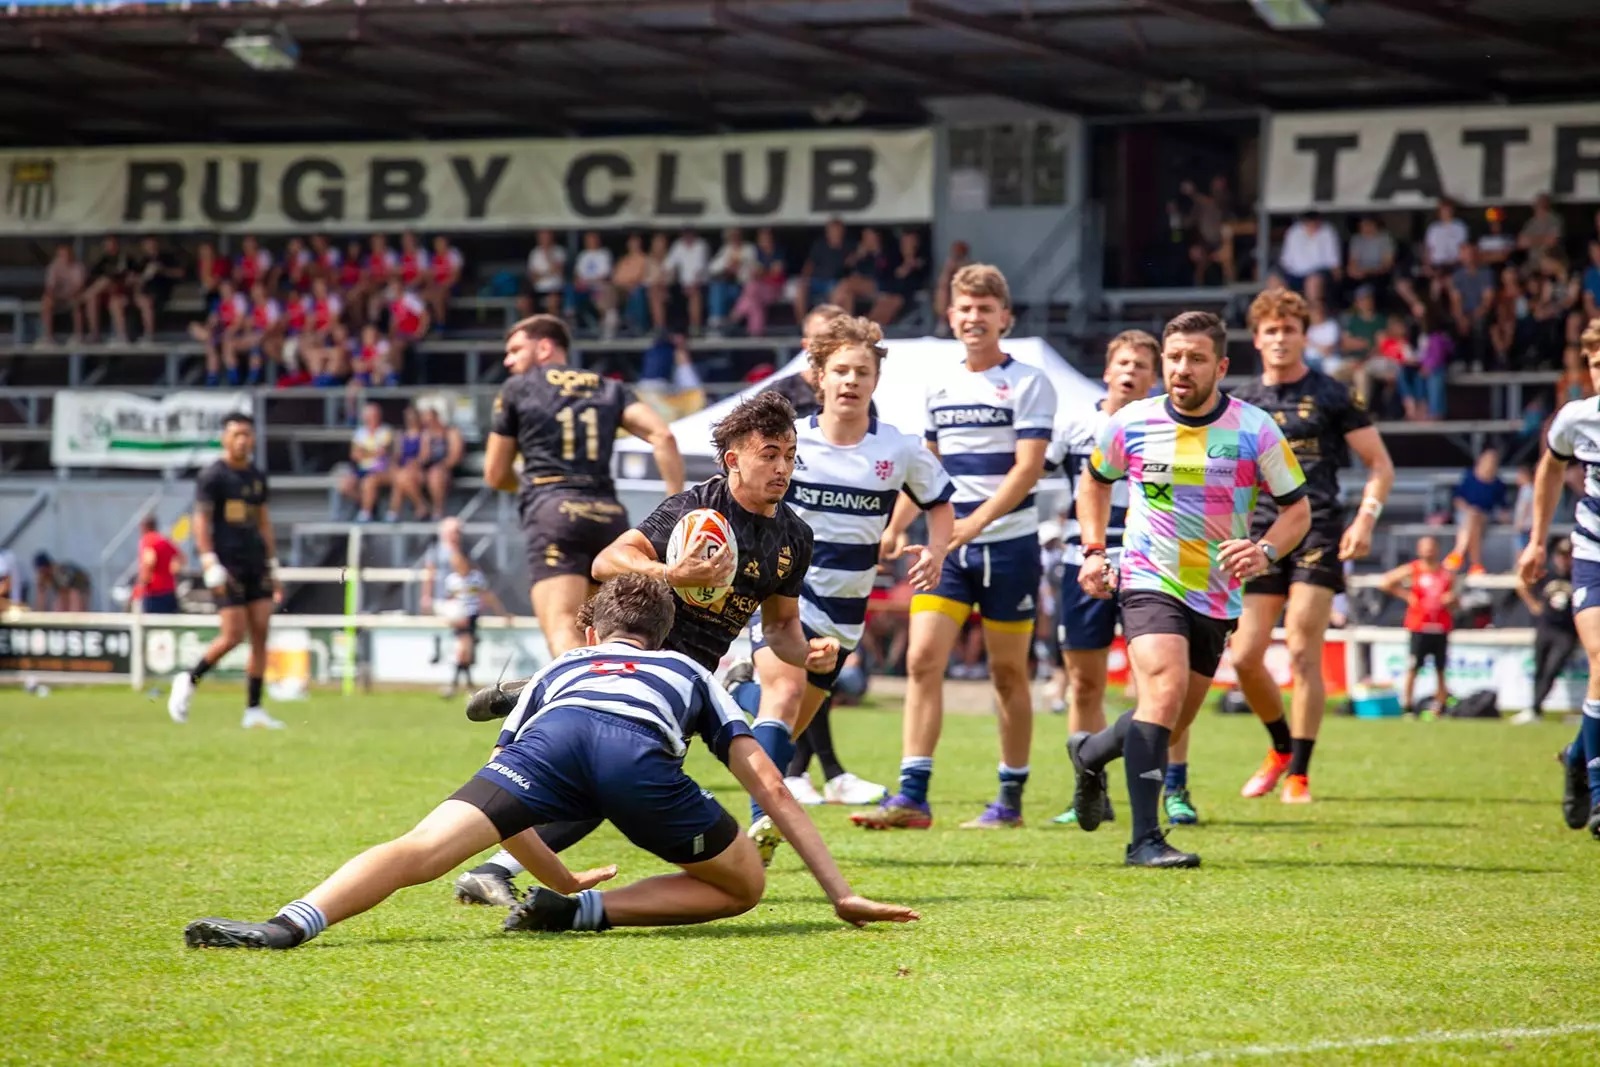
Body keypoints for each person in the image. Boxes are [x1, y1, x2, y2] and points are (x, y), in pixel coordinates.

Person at [183, 574, 917, 950]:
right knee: (742, 884)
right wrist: (840, 893)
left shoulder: (561, 666)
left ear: (594, 630)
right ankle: (584, 914)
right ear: (663, 635)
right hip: (639, 763)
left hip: (552, 743)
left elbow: (508, 811)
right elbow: (771, 786)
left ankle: (289, 923)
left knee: (418, 848)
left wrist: (554, 870)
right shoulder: (685, 670)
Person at [455, 391, 832, 906]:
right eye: (769, 454)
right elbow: (606, 561)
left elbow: (782, 626)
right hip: (637, 657)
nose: (782, 467)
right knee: (611, 782)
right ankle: (494, 864)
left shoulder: (795, 537)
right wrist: (670, 573)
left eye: (789, 455)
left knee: (604, 784)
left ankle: (537, 700)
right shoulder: (694, 509)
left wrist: (807, 655)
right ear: (733, 460)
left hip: (684, 677)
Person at [1067, 310, 1310, 868]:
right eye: (1174, 357)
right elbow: (1094, 483)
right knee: (1163, 692)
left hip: (1217, 594)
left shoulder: (1255, 429)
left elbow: (1297, 511)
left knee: (1170, 718)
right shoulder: (1131, 422)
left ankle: (1091, 752)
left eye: (1196, 359)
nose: (1182, 368)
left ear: (1220, 367)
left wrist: (1265, 550)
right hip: (1148, 578)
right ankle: (1145, 840)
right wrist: (1094, 550)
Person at [852, 264, 1057, 831]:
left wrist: (973, 524)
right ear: (951, 315)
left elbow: (1027, 469)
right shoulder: (937, 384)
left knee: (1008, 674)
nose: (974, 317)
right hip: (947, 549)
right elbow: (929, 470)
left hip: (1010, 548)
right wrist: (896, 525)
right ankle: (912, 797)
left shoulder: (1030, 382)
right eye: (965, 308)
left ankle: (1009, 801)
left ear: (1004, 317)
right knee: (921, 659)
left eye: (985, 308)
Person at [743, 315, 954, 862]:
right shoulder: (791, 443)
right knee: (784, 696)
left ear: (876, 380)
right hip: (785, 596)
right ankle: (761, 827)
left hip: (846, 611)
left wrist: (936, 550)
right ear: (819, 376)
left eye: (862, 371)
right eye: (840, 370)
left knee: (787, 725)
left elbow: (940, 503)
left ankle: (734, 699)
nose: (851, 381)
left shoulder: (899, 448)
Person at [1228, 289, 1394, 805]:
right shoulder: (1241, 402)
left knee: (1302, 648)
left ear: (1304, 336)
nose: (1280, 339)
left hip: (1318, 528)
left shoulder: (1332, 394)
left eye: (1289, 330)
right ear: (1257, 339)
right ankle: (1280, 746)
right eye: (1271, 331)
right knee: (1244, 657)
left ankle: (1299, 773)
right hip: (1260, 534)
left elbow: (1380, 465)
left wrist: (1366, 519)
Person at [483, 314, 684, 660]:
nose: (508, 361)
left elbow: (495, 474)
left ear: (544, 347)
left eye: (516, 350)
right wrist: (674, 509)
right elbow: (663, 435)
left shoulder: (517, 388)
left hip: (554, 512)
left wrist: (527, 485)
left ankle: (580, 692)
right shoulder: (610, 388)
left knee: (564, 626)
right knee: (611, 633)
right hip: (608, 517)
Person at [1045, 330, 1160, 827]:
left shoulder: (1165, 426)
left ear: (1154, 378)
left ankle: (1174, 790)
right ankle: (1089, 791)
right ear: (1108, 371)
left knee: (1160, 685)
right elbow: (1030, 472)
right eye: (1123, 363)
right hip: (1084, 561)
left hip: (1149, 561)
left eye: (1141, 365)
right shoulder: (1074, 424)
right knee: (1084, 683)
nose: (1130, 372)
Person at [1520, 319, 1600, 838]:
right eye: (1595, 364)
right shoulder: (1578, 417)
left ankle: (1577, 754)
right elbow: (1550, 467)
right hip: (1594, 553)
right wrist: (1535, 540)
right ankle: (1599, 796)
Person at [167, 413, 285, 730]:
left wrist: (273, 564)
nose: (242, 440)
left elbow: (263, 521)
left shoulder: (256, 476)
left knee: (261, 631)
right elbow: (201, 520)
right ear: (225, 439)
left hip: (256, 561)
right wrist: (208, 559)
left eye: (247, 434)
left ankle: (254, 709)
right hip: (227, 564)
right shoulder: (213, 476)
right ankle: (189, 679)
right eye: (236, 434)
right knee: (233, 635)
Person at [1378, 536, 1457, 718]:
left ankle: (1440, 706)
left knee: (1440, 669)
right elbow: (1385, 582)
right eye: (1425, 547)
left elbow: (1454, 602)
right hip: (1419, 625)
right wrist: (1406, 595)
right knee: (1414, 667)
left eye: (1431, 547)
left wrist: (1451, 600)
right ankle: (1408, 706)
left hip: (1440, 626)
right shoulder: (1413, 569)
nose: (1428, 551)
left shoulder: (1446, 573)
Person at [1514, 537, 1577, 725]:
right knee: (1539, 668)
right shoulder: (1547, 575)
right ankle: (1535, 708)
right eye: (1562, 555)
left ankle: (1535, 707)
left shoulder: (1578, 577)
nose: (1565, 560)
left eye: (1568, 555)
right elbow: (1522, 584)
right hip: (1546, 627)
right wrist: (1533, 604)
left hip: (1566, 631)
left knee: (1552, 669)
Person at [438, 548, 510, 699]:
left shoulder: (476, 578)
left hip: (471, 617)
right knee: (463, 653)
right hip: (458, 619)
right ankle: (466, 687)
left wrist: (502, 612)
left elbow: (487, 595)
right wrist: (449, 617)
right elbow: (449, 601)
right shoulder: (451, 580)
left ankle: (458, 687)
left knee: (463, 652)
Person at [1446, 447, 1509, 575]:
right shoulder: (1469, 477)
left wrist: (1505, 517)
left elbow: (1502, 506)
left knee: (1475, 518)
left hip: (1486, 515)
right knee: (1473, 519)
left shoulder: (1498, 483)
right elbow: (1457, 499)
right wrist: (1469, 509)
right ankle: (1476, 564)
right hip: (1465, 513)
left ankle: (1458, 553)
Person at [338, 401, 394, 524]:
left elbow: (382, 452)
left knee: (368, 482)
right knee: (344, 485)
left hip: (380, 469)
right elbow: (355, 455)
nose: (372, 418)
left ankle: (366, 513)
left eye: (375, 415)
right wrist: (371, 452)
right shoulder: (360, 433)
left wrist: (364, 452)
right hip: (361, 468)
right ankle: (369, 503)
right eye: (370, 415)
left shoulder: (385, 431)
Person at [134, 513, 184, 614]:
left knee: (152, 622)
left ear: (144, 527)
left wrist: (142, 582)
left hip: (154, 592)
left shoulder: (148, 540)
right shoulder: (164, 540)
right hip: (169, 590)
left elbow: (149, 560)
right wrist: (173, 570)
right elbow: (181, 558)